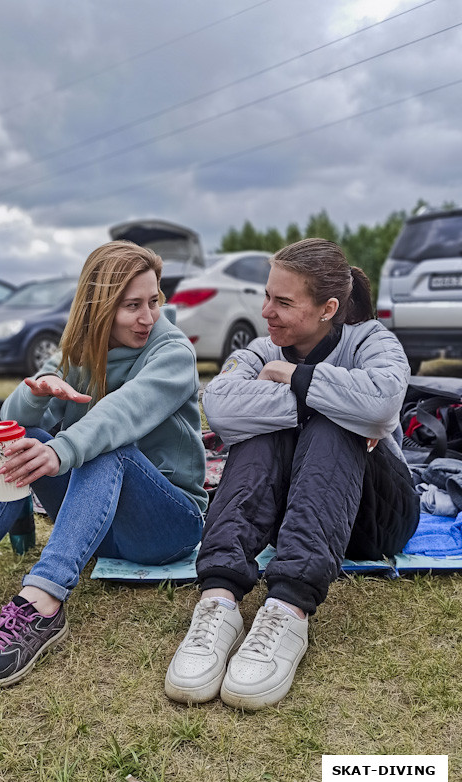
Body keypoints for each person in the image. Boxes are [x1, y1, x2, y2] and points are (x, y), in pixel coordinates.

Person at [0, 241, 207, 689]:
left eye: (153, 301)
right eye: (132, 306)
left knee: (109, 446)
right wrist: (37, 392)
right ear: (99, 306)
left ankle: (42, 603)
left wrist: (62, 450)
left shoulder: (172, 353)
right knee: (23, 440)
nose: (147, 316)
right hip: (99, 532)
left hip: (167, 526)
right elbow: (3, 424)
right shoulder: (77, 351)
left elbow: (121, 414)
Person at [165, 238, 420, 711]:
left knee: (330, 420)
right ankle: (218, 601)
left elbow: (383, 401)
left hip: (377, 517)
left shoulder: (372, 340)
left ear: (328, 308)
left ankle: (288, 608)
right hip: (298, 516)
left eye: (282, 302)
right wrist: (334, 399)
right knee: (271, 428)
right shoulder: (263, 350)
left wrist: (297, 379)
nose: (266, 311)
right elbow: (219, 406)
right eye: (266, 296)